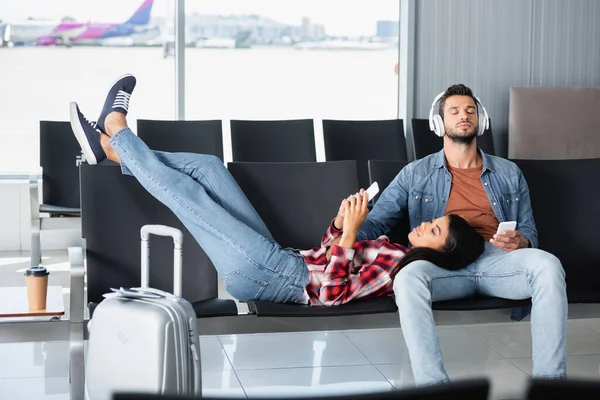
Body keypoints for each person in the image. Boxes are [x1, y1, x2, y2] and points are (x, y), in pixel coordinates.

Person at [69, 74, 486, 307]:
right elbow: (329, 256)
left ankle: (117, 131)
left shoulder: (401, 270)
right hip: (280, 260)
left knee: (187, 194)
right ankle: (110, 149)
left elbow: (330, 295)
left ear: (438, 253)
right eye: (434, 220)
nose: (426, 223)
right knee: (209, 168)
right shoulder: (396, 248)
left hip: (270, 277)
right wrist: (341, 223)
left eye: (433, 230)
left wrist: (348, 235)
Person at [357, 84, 567, 384]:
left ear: (480, 121)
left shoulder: (509, 172)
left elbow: (529, 228)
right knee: (407, 276)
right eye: (454, 111)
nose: (464, 116)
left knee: (548, 265)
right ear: (439, 123)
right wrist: (345, 228)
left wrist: (523, 241)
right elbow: (375, 224)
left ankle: (551, 384)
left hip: (497, 260)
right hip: (444, 262)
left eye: (470, 111)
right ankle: (433, 386)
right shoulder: (415, 173)